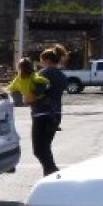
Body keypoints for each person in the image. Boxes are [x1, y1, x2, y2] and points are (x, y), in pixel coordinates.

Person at [29, 44, 69, 176]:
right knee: (45, 147)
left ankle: (53, 174)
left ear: (47, 60)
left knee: (39, 149)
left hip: (42, 114)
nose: (40, 63)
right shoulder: (62, 76)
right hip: (56, 114)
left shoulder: (43, 74)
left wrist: (27, 98)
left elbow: (35, 94)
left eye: (41, 60)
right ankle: (50, 174)